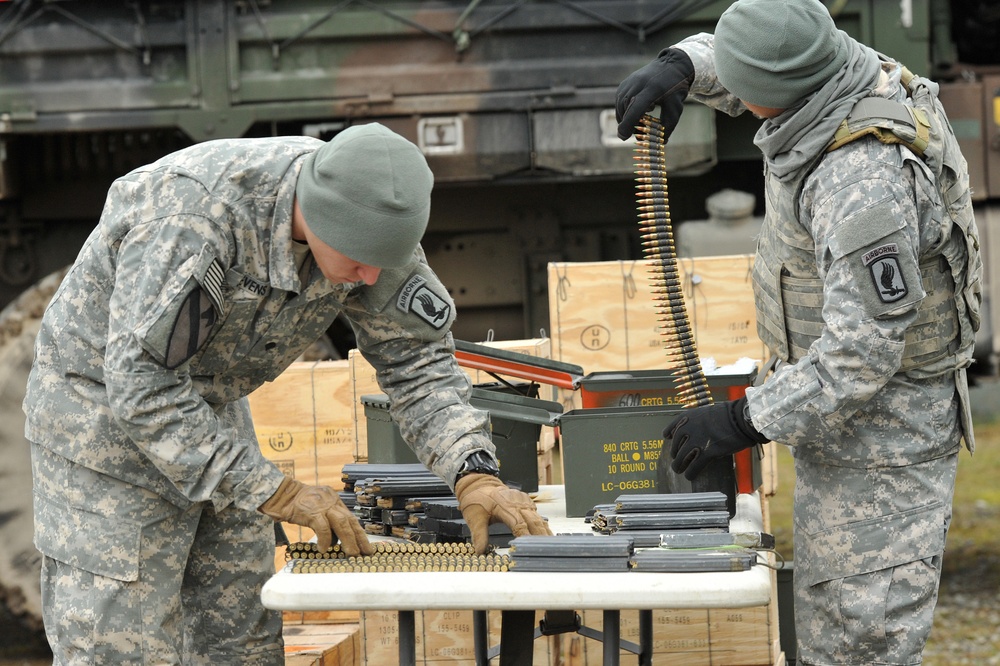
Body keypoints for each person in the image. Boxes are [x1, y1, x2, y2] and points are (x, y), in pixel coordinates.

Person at [23, 122, 551, 664]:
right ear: (317, 214)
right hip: (101, 422)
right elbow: (142, 389)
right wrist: (276, 493)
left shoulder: (371, 222)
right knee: (123, 647)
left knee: (241, 641)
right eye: (358, 261)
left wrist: (473, 471)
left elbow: (417, 362)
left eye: (382, 263)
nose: (369, 279)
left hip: (209, 409)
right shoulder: (192, 220)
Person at [616, 1, 981, 664]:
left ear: (772, 97)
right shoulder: (833, 70)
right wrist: (683, 68)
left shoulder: (861, 179)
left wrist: (743, 420)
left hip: (885, 446)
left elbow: (863, 351)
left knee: (856, 643)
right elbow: (771, 48)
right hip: (843, 425)